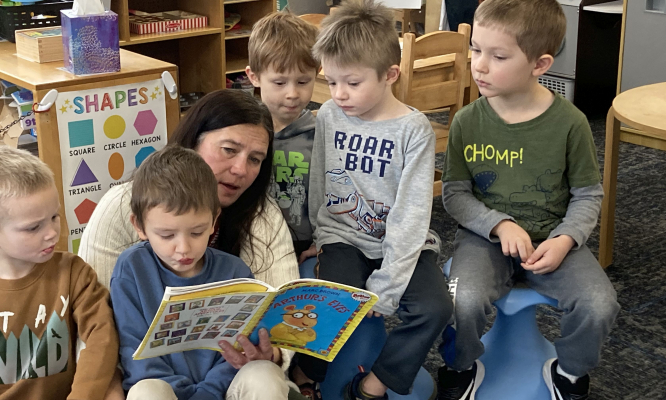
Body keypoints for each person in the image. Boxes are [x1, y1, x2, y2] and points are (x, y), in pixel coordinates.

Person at [435, 1, 619, 399]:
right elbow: (455, 194)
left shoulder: (570, 123)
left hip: (554, 242)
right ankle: (460, 365)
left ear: (540, 64)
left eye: (497, 56)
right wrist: (499, 224)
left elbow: (587, 193)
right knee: (458, 298)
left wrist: (567, 238)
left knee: (600, 304)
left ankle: (568, 373)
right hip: (484, 241)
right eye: (476, 50)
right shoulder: (467, 121)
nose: (479, 65)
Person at [78, 90, 301, 398]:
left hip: (225, 386)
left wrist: (272, 354)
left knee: (263, 375)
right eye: (228, 150)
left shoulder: (245, 249)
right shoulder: (127, 238)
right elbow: (110, 334)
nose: (240, 169)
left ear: (213, 223)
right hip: (156, 386)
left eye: (255, 159)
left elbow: (263, 332)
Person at [297, 1, 453, 399]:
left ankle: (374, 384)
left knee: (435, 309)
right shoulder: (329, 114)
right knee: (331, 303)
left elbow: (411, 213)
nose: (338, 94)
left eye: (351, 82)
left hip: (400, 243)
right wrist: (319, 231)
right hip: (342, 236)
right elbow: (321, 179)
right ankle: (307, 377)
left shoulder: (413, 130)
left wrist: (387, 286)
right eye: (331, 82)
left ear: (390, 74)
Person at [0, 147, 121, 399]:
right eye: (33, 227)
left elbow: (102, 337)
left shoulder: (73, 272)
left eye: (54, 216)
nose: (52, 232)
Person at [110, 145, 264, 400]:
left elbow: (239, 351)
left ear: (214, 220)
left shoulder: (235, 271)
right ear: (139, 226)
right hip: (163, 390)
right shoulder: (132, 268)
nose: (184, 249)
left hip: (223, 391)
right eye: (167, 235)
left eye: (197, 232)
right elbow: (135, 353)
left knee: (264, 374)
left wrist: (207, 393)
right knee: (146, 392)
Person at [245, 11, 319, 262]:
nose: (292, 94)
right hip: (254, 243)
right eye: (279, 83)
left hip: (306, 247)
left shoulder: (320, 136)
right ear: (253, 76)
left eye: (302, 81)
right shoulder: (241, 132)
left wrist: (322, 242)